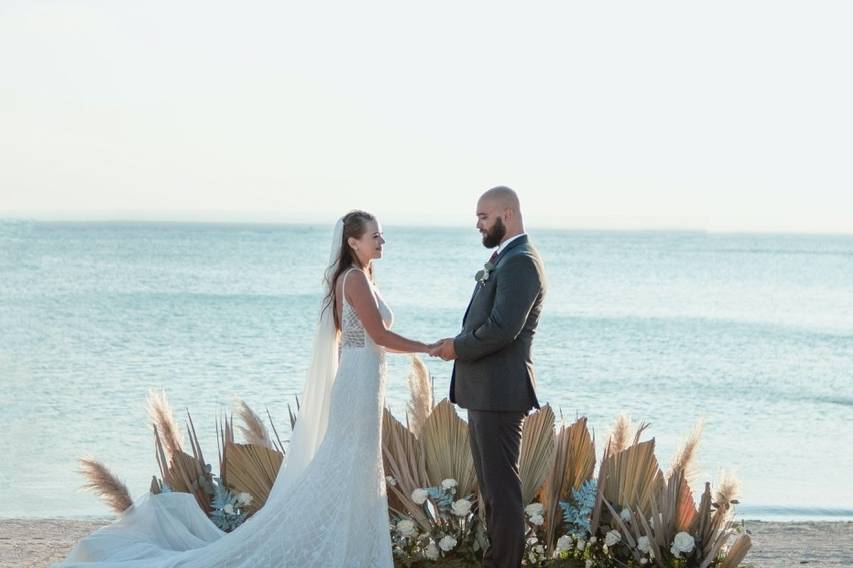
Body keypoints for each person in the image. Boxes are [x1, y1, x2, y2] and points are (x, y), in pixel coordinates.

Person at [56, 210, 433, 567]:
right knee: (348, 463)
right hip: (358, 382)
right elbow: (379, 335)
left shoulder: (357, 278)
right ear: (353, 242)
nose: (382, 240)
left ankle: (346, 548)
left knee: (352, 464)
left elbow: (367, 341)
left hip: (363, 379)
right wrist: (431, 347)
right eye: (375, 235)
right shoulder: (354, 279)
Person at [430, 186, 546, 568]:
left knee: (502, 491)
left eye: (484, 216)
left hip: (500, 393)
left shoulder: (521, 262)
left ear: (507, 215)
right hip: (486, 392)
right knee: (493, 490)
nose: (478, 224)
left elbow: (502, 329)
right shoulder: (507, 258)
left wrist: (457, 347)